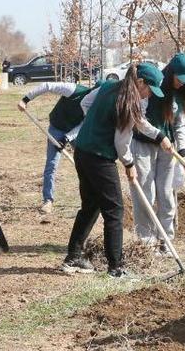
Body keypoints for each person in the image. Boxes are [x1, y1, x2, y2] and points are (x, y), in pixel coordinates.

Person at [61, 63, 173, 279]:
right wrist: (129, 165)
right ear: (140, 83)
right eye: (149, 89)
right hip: (100, 158)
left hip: (82, 151)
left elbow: (87, 103)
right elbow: (122, 143)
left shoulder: (109, 86)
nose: (149, 94)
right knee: (114, 211)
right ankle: (116, 268)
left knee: (90, 206)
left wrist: (160, 137)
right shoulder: (129, 101)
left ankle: (73, 257)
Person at [131, 54, 185, 249]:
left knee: (166, 194)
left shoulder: (181, 94)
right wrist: (159, 136)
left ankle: (165, 239)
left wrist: (183, 152)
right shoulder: (153, 84)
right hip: (143, 145)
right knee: (146, 193)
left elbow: (180, 125)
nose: (183, 84)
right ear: (171, 73)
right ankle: (146, 240)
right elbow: (138, 119)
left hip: (168, 150)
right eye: (180, 79)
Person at [17, 80, 97, 213]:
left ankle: (90, 199)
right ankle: (48, 200)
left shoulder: (96, 105)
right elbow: (47, 86)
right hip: (57, 127)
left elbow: (83, 124)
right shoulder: (73, 90)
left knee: (86, 164)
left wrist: (66, 138)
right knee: (52, 164)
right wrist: (25, 99)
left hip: (74, 131)